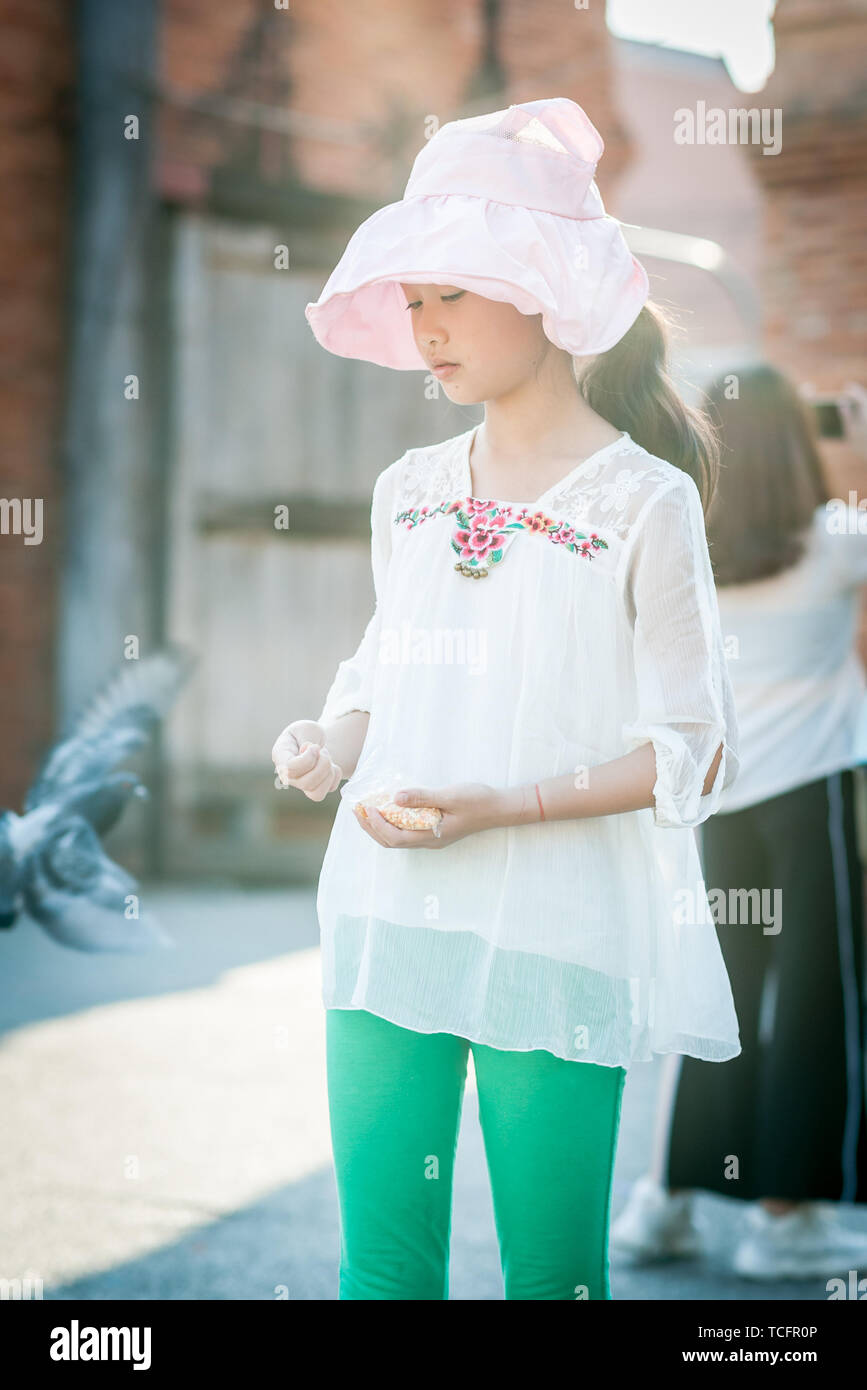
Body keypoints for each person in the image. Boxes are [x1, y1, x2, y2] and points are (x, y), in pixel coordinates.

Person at [271, 98, 741, 1300]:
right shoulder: (410, 489)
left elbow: (693, 749)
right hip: (388, 912)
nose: (426, 329)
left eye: (453, 296)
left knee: (554, 1281)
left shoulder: (647, 501)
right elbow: (385, 674)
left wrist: (504, 805)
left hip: (560, 930)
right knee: (379, 1267)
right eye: (414, 299)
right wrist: (330, 742)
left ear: (542, 287)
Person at [612, 367, 867, 1281]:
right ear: (796, 443)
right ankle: (784, 1219)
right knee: (812, 1003)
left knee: (708, 997)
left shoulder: (685, 553)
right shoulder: (836, 544)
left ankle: (660, 1204)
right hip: (809, 803)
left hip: (712, 805)